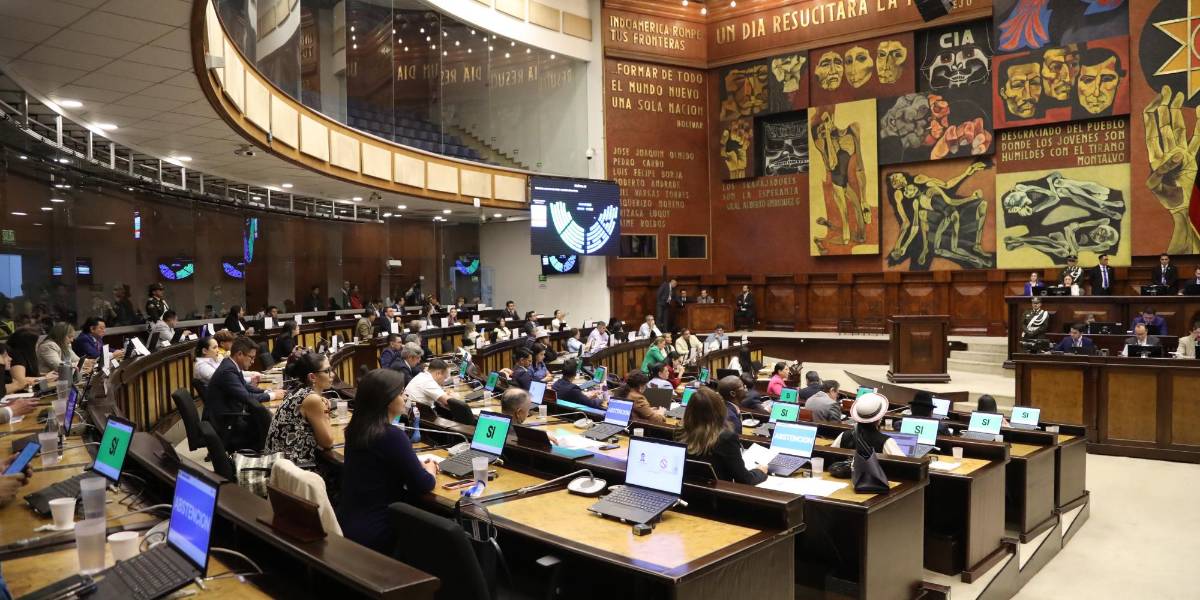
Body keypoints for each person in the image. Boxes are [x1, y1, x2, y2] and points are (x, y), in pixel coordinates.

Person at [338, 368, 438, 554]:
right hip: (379, 531)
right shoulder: (391, 436)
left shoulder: (356, 429)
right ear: (386, 400)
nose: (405, 397)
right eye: (400, 393)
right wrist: (430, 469)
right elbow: (423, 484)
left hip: (350, 522)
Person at [203, 336, 284, 451]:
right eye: (251, 357)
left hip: (231, 416)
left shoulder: (231, 365)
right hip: (226, 424)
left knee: (265, 418)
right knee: (268, 422)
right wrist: (273, 396)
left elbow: (245, 387)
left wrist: (267, 391)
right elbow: (246, 397)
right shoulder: (228, 371)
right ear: (240, 354)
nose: (253, 361)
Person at [678, 386, 767, 485]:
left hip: (687, 490)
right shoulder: (726, 438)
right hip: (718, 492)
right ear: (719, 409)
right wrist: (760, 471)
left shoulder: (680, 432)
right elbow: (744, 479)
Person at [266, 352, 337, 465]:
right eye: (327, 371)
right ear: (312, 377)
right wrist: (326, 411)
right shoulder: (312, 399)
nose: (332, 374)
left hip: (279, 465)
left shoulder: (298, 391)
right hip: (294, 468)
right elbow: (327, 442)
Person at [832, 393, 904, 456]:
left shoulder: (843, 435)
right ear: (879, 418)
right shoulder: (886, 442)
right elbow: (904, 464)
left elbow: (832, 455)